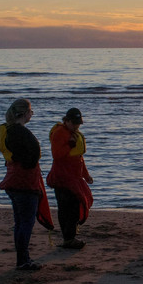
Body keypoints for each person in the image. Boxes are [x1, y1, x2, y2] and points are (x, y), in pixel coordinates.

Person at [0, 98, 54, 270]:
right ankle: (23, 260)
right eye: (31, 111)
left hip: (12, 179)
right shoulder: (20, 132)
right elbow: (33, 156)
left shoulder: (5, 130)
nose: (32, 114)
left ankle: (22, 259)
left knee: (20, 222)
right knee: (26, 222)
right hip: (24, 182)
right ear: (25, 113)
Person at [46, 107, 93, 250]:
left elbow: (79, 157)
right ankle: (69, 238)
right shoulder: (60, 133)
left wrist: (86, 174)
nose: (77, 126)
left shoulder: (73, 133)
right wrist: (70, 145)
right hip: (62, 177)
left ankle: (69, 237)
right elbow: (57, 155)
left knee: (74, 205)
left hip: (74, 176)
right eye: (74, 123)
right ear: (66, 121)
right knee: (67, 208)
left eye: (78, 124)